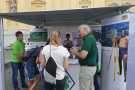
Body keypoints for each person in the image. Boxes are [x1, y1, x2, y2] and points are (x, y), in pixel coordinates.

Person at [70, 24, 98, 90]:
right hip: (90, 68)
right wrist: (80, 50)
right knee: (90, 87)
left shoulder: (88, 39)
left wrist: (75, 52)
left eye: (79, 31)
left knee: (84, 88)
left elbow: (83, 56)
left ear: (85, 29)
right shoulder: (91, 37)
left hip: (86, 69)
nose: (78, 33)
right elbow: (88, 52)